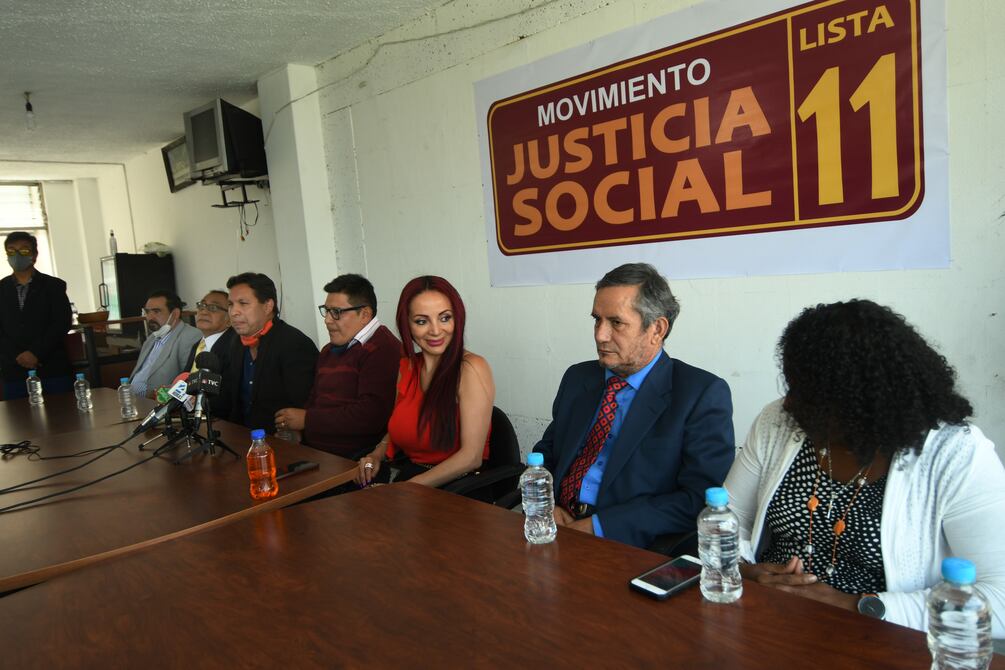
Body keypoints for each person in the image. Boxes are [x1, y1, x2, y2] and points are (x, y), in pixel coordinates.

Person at [725, 300, 1005, 636]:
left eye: (809, 393)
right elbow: (728, 521)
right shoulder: (778, 422)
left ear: (863, 404)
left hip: (884, 638)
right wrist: (744, 571)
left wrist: (856, 606)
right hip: (771, 617)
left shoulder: (956, 454)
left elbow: (999, 599)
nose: (789, 401)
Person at [532, 263, 734, 550]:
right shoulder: (578, 378)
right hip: (554, 526)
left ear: (657, 329)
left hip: (629, 544)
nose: (600, 335)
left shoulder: (700, 394)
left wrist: (598, 527)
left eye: (616, 323)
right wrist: (546, 504)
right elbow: (547, 452)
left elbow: (697, 498)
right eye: (597, 320)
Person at [355, 276, 494, 488]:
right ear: (407, 325)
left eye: (445, 318)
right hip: (413, 478)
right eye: (422, 321)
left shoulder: (471, 368)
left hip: (459, 487)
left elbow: (471, 457)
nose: (436, 330)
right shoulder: (408, 368)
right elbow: (400, 425)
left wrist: (404, 490)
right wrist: (375, 455)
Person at [274, 274, 400, 459]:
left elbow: (370, 417)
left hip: (354, 459)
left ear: (364, 314)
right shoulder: (329, 350)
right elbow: (315, 400)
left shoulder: (382, 349)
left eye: (336, 312)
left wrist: (307, 420)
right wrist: (298, 430)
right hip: (315, 451)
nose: (327, 320)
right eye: (326, 311)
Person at [219, 272, 317, 433]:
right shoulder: (235, 342)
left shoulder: (293, 343)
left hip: (281, 439)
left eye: (243, 303)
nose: (234, 312)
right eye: (230, 304)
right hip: (241, 436)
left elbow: (304, 405)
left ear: (267, 306)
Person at [0, 231, 73, 399]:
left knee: (62, 413)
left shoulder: (54, 286)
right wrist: (18, 356)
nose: (17, 255)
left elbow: (61, 323)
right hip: (14, 371)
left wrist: (35, 353)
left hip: (52, 369)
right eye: (11, 251)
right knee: (19, 415)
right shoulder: (1, 289)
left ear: (34, 255)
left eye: (24, 250)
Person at [128, 290, 201, 399]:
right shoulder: (151, 339)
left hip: (157, 403)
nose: (150, 317)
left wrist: (158, 395)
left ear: (175, 314)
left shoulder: (190, 336)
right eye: (147, 312)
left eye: (156, 311)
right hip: (131, 399)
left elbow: (188, 382)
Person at [183, 289, 237, 416]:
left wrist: (198, 402)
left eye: (213, 308)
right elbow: (186, 379)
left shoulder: (234, 347)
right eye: (201, 305)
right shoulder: (198, 345)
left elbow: (228, 397)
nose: (203, 311)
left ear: (229, 319)